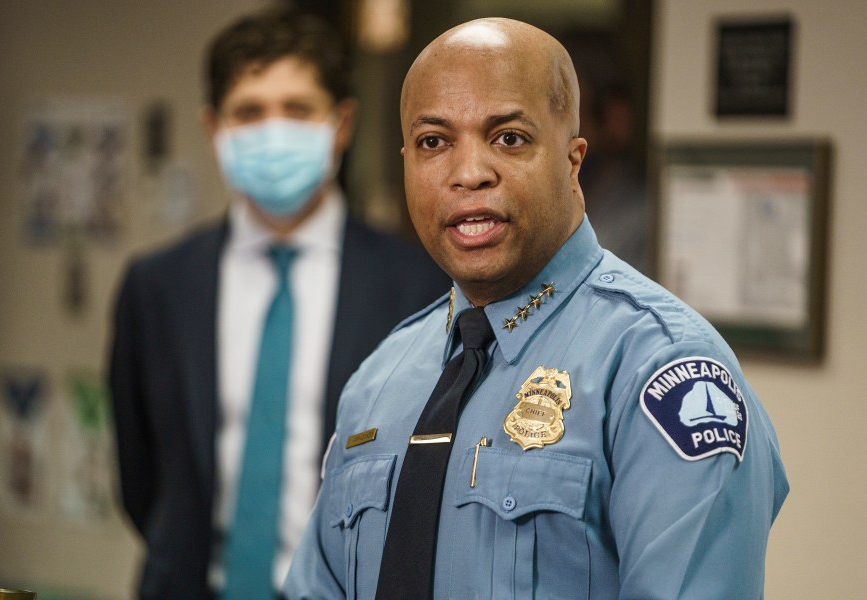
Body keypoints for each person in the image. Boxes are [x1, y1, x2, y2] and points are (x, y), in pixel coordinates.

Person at [284, 17, 788, 599]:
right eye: (433, 142)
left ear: (573, 161)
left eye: (509, 138)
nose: (469, 173)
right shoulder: (379, 378)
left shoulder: (661, 371)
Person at [108, 6, 448, 600]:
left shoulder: (418, 286)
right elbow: (140, 478)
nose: (273, 130)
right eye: (249, 112)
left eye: (297, 110)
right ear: (214, 128)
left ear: (341, 125)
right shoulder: (156, 287)